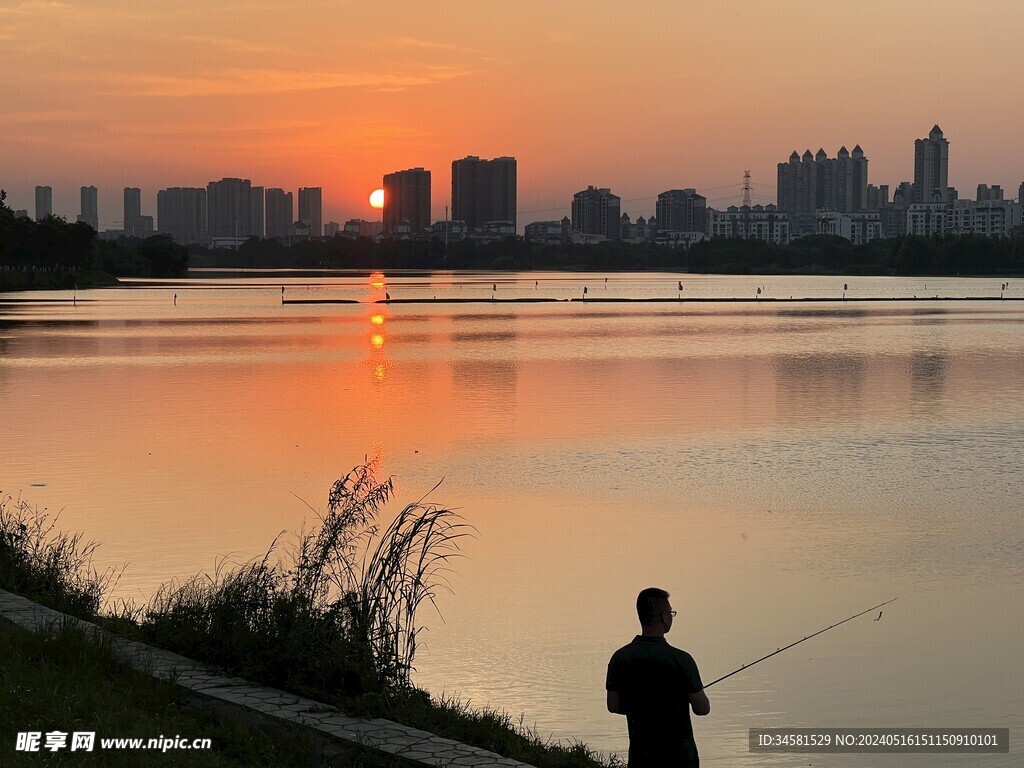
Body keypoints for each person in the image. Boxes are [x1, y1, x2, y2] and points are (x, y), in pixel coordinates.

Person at [606, 587, 710, 767]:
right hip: (681, 757)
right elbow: (702, 708)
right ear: (664, 616)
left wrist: (642, 704)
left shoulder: (620, 658)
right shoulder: (681, 660)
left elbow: (613, 706)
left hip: (641, 758)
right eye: (671, 612)